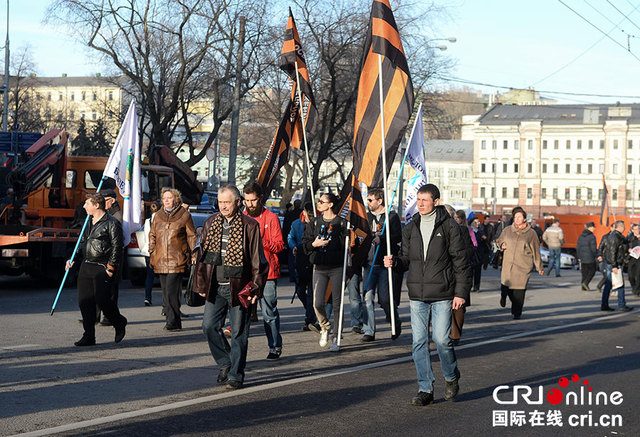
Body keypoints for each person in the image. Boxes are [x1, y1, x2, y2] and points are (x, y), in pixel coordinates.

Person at [384, 184, 470, 406]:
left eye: (425, 199)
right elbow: (406, 259)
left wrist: (460, 293)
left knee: (441, 340)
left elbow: (461, 263)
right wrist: (394, 262)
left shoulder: (450, 227)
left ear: (436, 201)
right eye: (418, 199)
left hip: (443, 293)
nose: (420, 203)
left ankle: (451, 377)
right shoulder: (411, 227)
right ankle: (425, 388)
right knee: (418, 342)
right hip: (417, 294)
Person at [194, 185, 269, 390]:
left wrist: (255, 288)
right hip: (215, 286)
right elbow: (202, 257)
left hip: (239, 287)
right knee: (208, 326)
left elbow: (258, 260)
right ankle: (225, 363)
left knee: (238, 333)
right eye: (220, 202)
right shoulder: (211, 222)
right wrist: (201, 283)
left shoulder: (250, 225)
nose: (223, 206)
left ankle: (236, 374)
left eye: (227, 202)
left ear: (238, 202)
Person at [65, 193, 127, 346]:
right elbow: (82, 243)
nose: (84, 206)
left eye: (87, 203)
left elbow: (117, 247)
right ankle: (89, 336)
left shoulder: (112, 223)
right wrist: (72, 258)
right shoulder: (88, 222)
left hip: (103, 266)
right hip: (86, 265)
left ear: (96, 205)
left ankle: (119, 322)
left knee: (102, 300)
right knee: (85, 301)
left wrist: (111, 267)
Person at [302, 192, 349, 351]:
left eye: (322, 201)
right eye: (318, 201)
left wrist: (349, 240)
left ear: (330, 204)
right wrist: (313, 245)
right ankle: (325, 326)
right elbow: (305, 244)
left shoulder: (342, 223)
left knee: (337, 304)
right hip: (319, 267)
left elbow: (346, 246)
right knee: (317, 303)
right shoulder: (314, 222)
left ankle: (336, 337)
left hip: (336, 267)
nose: (318, 204)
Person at [243, 182, 285, 360]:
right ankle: (239, 352)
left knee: (269, 312)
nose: (249, 204)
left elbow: (279, 246)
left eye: (253, 200)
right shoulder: (242, 217)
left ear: (260, 199)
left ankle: (275, 346)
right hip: (245, 272)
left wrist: (260, 240)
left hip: (267, 273)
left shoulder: (271, 218)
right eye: (246, 200)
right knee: (240, 312)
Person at [149, 188, 197, 331]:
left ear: (176, 199)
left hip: (177, 259)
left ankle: (173, 321)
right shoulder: (158, 215)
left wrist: (194, 253)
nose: (167, 200)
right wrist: (151, 250)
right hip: (160, 258)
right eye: (164, 198)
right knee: (165, 292)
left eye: (169, 198)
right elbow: (152, 234)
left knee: (171, 291)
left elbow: (192, 236)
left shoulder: (184, 215)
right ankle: (172, 319)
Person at [362, 188, 402, 342]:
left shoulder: (391, 216)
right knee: (367, 297)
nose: (368, 203)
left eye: (371, 200)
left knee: (385, 298)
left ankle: (394, 320)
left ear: (379, 201)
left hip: (385, 263)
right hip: (369, 262)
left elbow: (398, 236)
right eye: (367, 200)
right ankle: (369, 330)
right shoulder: (367, 217)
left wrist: (383, 238)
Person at [496, 206, 544, 320]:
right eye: (515, 217)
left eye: (519, 217)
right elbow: (499, 240)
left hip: (523, 266)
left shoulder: (531, 233)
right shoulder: (507, 230)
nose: (517, 219)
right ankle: (504, 296)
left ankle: (517, 312)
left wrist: (539, 266)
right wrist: (501, 245)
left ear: (524, 219)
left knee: (519, 291)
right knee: (506, 287)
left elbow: (536, 251)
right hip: (508, 265)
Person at [289, 202, 320, 332]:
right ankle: (310, 311)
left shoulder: (319, 223)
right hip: (301, 260)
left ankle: (309, 320)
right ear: (305, 212)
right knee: (300, 291)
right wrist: (293, 246)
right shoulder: (296, 224)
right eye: (309, 214)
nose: (311, 216)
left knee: (311, 293)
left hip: (314, 260)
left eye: (314, 214)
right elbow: (290, 237)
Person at [98, 189, 124, 326]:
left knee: (111, 289)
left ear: (112, 201)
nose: (102, 203)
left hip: (112, 256)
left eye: (105, 200)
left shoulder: (117, 216)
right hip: (105, 256)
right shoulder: (109, 214)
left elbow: (116, 240)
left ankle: (110, 317)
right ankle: (97, 316)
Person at [451, 208, 474, 345]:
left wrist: (459, 255)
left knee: (458, 305)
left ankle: (455, 335)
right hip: (441, 274)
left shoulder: (463, 231)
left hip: (459, 271)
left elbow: (470, 249)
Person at [602, 220, 633, 312]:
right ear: (620, 227)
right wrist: (614, 265)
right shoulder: (615, 237)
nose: (624, 228)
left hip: (612, 263)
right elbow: (612, 251)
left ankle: (604, 305)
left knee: (608, 285)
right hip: (614, 264)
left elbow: (624, 243)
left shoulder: (617, 236)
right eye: (623, 227)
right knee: (619, 285)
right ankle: (621, 305)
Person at [137, 201, 161, 306]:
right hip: (159, 251)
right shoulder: (161, 220)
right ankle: (166, 301)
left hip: (148, 251)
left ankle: (147, 297)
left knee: (149, 276)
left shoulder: (147, 221)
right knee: (164, 277)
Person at [576, 221, 598, 291]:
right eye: (593, 227)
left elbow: (578, 247)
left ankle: (583, 286)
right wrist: (596, 255)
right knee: (592, 271)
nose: (594, 228)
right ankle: (586, 283)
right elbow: (593, 248)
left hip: (582, 257)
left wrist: (579, 256)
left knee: (584, 272)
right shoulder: (592, 236)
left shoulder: (581, 236)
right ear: (590, 228)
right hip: (590, 257)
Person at [468, 216, 487, 292]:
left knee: (478, 271)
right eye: (475, 222)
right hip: (471, 254)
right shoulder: (469, 231)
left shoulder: (481, 231)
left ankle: (476, 287)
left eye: (478, 222)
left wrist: (484, 239)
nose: (477, 224)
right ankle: (469, 286)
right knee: (470, 272)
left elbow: (485, 242)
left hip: (479, 254)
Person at [627, 223, 640, 296]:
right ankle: (634, 287)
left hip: (639, 259)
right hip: (632, 257)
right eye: (635, 229)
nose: (637, 231)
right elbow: (625, 245)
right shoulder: (629, 237)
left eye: (638, 229)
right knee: (630, 275)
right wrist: (628, 250)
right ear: (632, 230)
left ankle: (637, 290)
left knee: (638, 274)